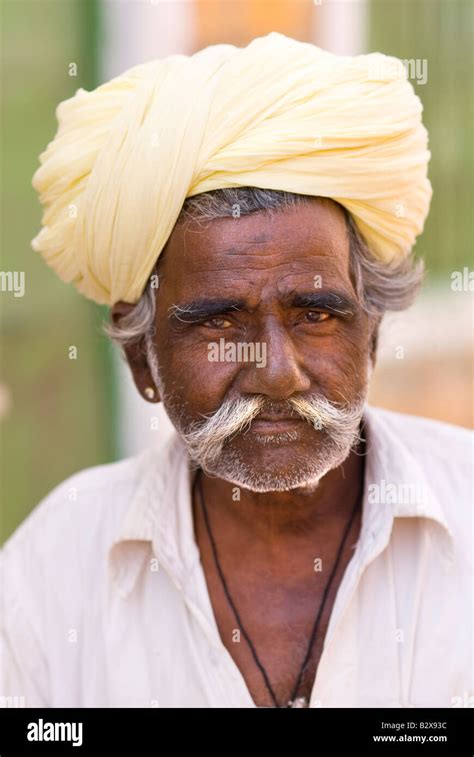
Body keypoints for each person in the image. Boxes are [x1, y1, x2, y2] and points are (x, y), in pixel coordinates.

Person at [1, 32, 471, 709]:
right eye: (219, 322)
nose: (277, 373)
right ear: (143, 362)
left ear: (371, 335)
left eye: (315, 314)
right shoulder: (49, 578)